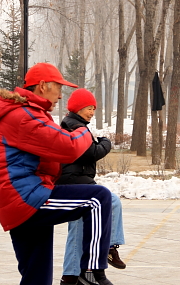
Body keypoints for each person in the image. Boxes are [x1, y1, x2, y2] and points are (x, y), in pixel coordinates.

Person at [0, 63, 115, 285]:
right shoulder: (24, 115)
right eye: (59, 88)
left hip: (20, 200)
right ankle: (90, 273)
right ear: (43, 86)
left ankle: (88, 273)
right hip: (26, 198)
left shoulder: (27, 113)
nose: (61, 96)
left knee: (37, 278)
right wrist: (83, 129)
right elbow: (69, 146)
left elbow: (53, 154)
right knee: (97, 199)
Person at [57, 89, 126, 285]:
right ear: (78, 108)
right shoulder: (74, 127)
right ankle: (107, 250)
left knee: (80, 223)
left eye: (94, 108)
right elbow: (90, 152)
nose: (92, 112)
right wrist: (106, 142)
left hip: (78, 181)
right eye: (89, 108)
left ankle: (71, 277)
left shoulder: (76, 125)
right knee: (110, 201)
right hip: (73, 183)